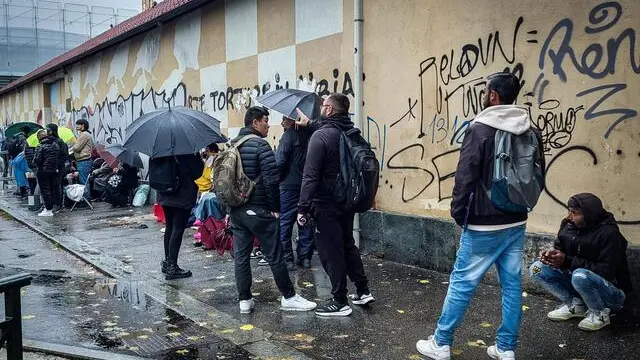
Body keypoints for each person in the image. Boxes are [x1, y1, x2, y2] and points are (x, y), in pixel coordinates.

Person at [416, 72, 544, 360]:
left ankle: (441, 342)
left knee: (462, 282)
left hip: (483, 221)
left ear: (493, 95)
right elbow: (537, 173)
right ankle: (506, 347)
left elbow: (465, 175)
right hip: (516, 218)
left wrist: (459, 213)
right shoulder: (530, 128)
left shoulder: (481, 128)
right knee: (512, 285)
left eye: (486, 91)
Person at [228, 105, 316, 314]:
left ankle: (245, 301)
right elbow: (271, 180)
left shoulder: (232, 145)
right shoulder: (261, 146)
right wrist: (275, 209)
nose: (269, 125)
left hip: (237, 211)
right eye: (265, 120)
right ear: (255, 122)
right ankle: (289, 297)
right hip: (259, 211)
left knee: (241, 257)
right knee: (275, 255)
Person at [296, 93, 373, 317]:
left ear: (329, 110)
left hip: (324, 203)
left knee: (331, 251)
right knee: (348, 244)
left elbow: (310, 176)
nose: (320, 108)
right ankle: (363, 290)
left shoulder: (320, 136)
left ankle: (339, 301)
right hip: (347, 200)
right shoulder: (351, 132)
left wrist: (302, 207)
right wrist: (310, 124)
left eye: (323, 105)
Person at [529, 193, 632, 332]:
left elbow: (606, 271)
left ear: (589, 215)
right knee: (536, 268)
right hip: (579, 284)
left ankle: (600, 314)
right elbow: (561, 251)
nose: (570, 216)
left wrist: (567, 261)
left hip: (611, 294)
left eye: (575, 213)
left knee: (580, 275)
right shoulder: (568, 225)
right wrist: (552, 258)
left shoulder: (610, 234)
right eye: (569, 211)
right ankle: (575, 305)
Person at [276, 116, 314, 270]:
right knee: (305, 220)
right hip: (308, 185)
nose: (281, 122)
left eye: (284, 118)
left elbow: (279, 161)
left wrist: (278, 180)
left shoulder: (288, 135)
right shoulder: (312, 135)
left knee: (285, 221)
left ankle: (287, 259)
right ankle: (305, 258)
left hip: (289, 185)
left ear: (292, 120)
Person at [157, 154, 204, 280]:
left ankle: (168, 262)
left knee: (170, 227)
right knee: (177, 229)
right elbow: (197, 172)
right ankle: (172, 267)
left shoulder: (160, 150)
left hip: (165, 193)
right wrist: (198, 158)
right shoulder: (186, 152)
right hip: (181, 195)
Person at [34, 130, 61, 217]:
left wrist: (35, 163)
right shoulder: (55, 145)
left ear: (39, 138)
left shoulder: (40, 146)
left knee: (45, 190)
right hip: (53, 170)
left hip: (43, 171)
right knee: (52, 189)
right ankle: (51, 207)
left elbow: (37, 160)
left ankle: (48, 209)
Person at [46, 123, 69, 212]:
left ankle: (58, 204)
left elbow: (64, 156)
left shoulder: (60, 142)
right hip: (48, 168)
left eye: (48, 130)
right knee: (50, 186)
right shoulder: (47, 141)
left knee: (57, 185)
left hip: (57, 168)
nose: (47, 132)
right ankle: (51, 203)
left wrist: (57, 165)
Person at [70, 119, 94, 185]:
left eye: (78, 124)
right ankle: (85, 195)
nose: (76, 126)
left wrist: (74, 146)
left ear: (82, 125)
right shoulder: (85, 134)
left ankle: (85, 195)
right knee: (84, 180)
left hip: (84, 161)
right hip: (84, 161)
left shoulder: (84, 135)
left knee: (83, 181)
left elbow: (76, 148)